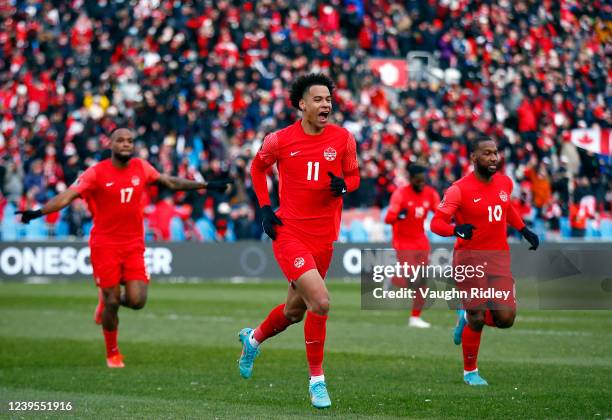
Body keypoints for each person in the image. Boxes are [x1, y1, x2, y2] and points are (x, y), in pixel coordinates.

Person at [16, 128, 232, 368]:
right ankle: (113, 353)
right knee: (112, 302)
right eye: (121, 140)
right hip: (105, 245)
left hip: (133, 244)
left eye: (130, 141)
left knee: (137, 300)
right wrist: (37, 213)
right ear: (111, 144)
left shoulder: (141, 167)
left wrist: (206, 185)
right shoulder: (96, 173)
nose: (126, 144)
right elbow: (67, 196)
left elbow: (169, 181)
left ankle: (106, 300)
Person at [238, 73, 359, 409]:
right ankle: (317, 381)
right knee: (320, 302)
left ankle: (253, 338)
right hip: (289, 233)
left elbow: (354, 175)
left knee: (294, 312)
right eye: (318, 99)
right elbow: (256, 168)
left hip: (325, 239)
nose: (326, 104)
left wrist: (345, 187)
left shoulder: (344, 138)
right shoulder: (280, 140)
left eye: (328, 99)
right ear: (302, 104)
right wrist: (264, 208)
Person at [430, 137, 539, 386]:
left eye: (495, 153)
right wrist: (456, 230)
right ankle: (470, 372)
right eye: (487, 153)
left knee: (506, 319)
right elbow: (436, 223)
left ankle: (464, 315)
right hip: (469, 259)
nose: (493, 158)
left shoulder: (504, 182)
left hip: (499, 259)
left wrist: (523, 229)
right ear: (473, 158)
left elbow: (506, 206)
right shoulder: (458, 189)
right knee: (478, 316)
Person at [384, 164, 440, 328]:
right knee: (413, 281)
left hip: (421, 241)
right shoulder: (400, 194)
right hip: (403, 242)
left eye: (424, 180)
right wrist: (398, 215)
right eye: (418, 181)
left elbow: (440, 212)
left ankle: (415, 318)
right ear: (411, 179)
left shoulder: (430, 194)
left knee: (422, 281)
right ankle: (394, 280)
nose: (422, 184)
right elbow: (388, 218)